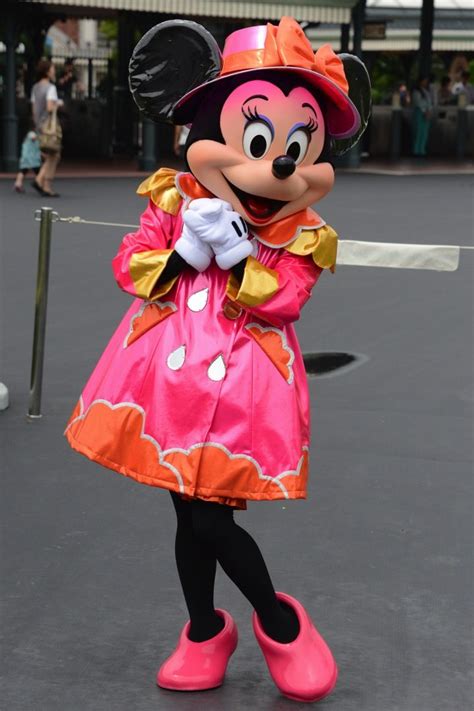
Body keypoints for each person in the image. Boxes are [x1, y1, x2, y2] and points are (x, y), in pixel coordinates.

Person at [65, 17, 370, 704]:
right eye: (258, 141)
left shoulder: (299, 233)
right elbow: (128, 267)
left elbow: (286, 300)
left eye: (299, 145)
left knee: (209, 519)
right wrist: (182, 252)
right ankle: (205, 629)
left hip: (244, 390)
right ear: (202, 127)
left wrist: (237, 258)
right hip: (165, 382)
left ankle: (280, 621)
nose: (279, 165)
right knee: (186, 514)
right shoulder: (174, 201)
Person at [31, 58, 62, 197]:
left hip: (39, 125)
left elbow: (34, 109)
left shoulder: (35, 87)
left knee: (49, 154)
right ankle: (42, 182)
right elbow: (50, 107)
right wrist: (58, 104)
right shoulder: (51, 88)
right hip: (50, 127)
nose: (54, 71)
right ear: (47, 71)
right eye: (53, 68)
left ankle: (44, 185)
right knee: (54, 154)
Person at [13, 120, 41, 193]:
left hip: (27, 157)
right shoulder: (31, 133)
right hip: (32, 158)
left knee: (23, 171)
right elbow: (34, 138)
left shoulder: (27, 136)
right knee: (38, 172)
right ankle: (40, 184)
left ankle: (18, 184)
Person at [411, 76, 433, 157]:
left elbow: (429, 102)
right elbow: (418, 102)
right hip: (420, 112)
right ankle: (416, 150)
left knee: (424, 132)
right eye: (424, 81)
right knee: (418, 132)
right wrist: (424, 111)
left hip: (427, 113)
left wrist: (429, 111)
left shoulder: (426, 91)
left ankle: (422, 150)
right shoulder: (416, 91)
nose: (425, 83)